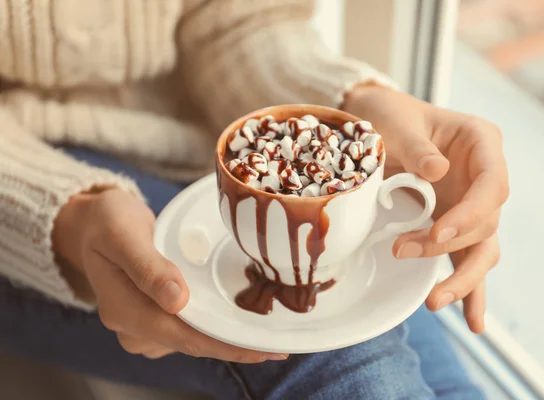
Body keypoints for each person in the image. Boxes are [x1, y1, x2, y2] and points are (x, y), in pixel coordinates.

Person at [0, 0, 508, 399]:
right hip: (26, 174)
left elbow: (236, 20)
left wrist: (350, 107)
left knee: (448, 385)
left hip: (209, 146)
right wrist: (63, 216)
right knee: (330, 352)